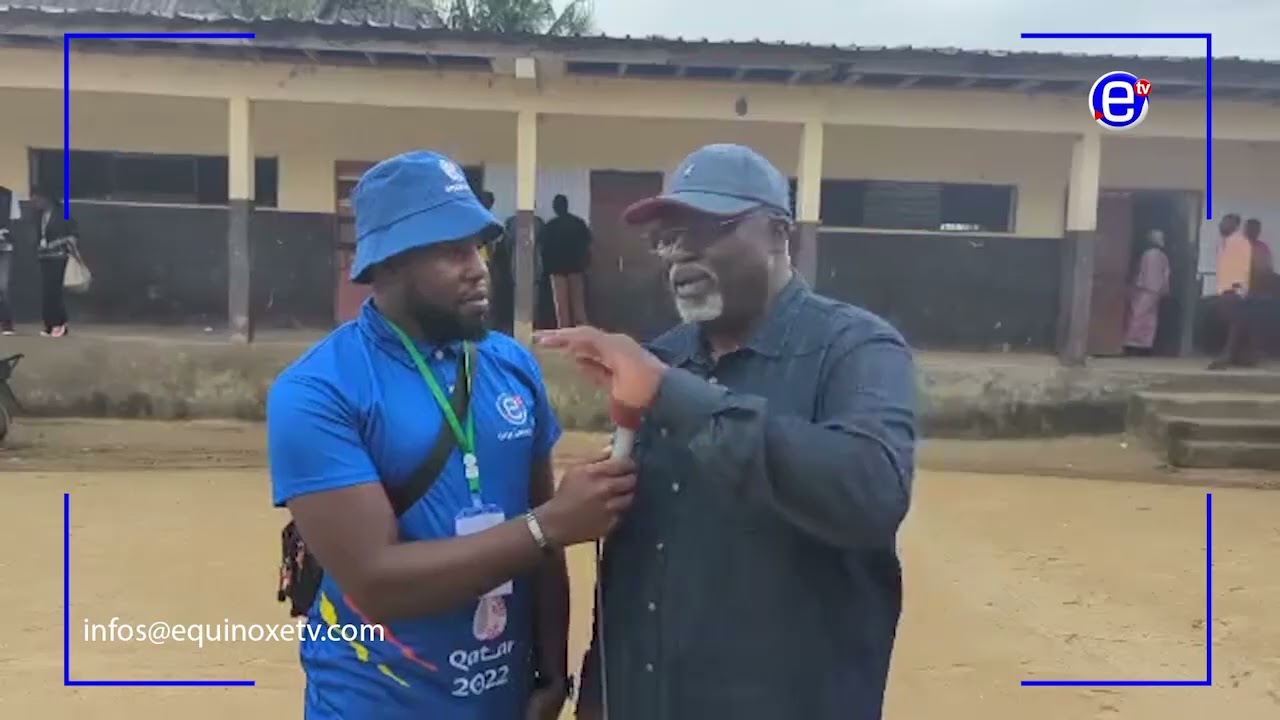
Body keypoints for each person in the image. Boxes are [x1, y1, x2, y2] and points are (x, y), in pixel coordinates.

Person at [537, 143, 917, 720]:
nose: (679, 252)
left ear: (777, 233)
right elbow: (636, 569)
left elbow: (871, 491)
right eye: (667, 237)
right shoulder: (665, 360)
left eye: (708, 228)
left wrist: (673, 397)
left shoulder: (855, 349)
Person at [265, 150, 637, 720]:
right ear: (386, 267)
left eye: (478, 246)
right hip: (373, 704)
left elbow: (542, 541)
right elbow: (376, 582)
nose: (478, 266)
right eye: (450, 250)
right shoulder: (318, 391)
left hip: (501, 701)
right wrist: (553, 523)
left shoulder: (510, 365)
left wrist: (551, 668)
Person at [1210, 213, 1258, 368]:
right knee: (1236, 323)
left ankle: (1227, 356)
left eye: (1226, 222)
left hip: (1234, 288)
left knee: (1234, 323)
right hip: (1224, 288)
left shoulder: (1240, 242)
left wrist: (1238, 287)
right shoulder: (1225, 243)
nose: (1222, 225)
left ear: (1235, 225)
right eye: (1222, 222)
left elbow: (1243, 266)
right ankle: (1247, 356)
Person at [29, 185, 78, 337]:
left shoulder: (63, 213)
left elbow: (73, 236)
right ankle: (50, 324)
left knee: (54, 291)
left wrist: (55, 243)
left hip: (59, 256)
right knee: (46, 292)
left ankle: (59, 323)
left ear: (46, 198)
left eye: (37, 199)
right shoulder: (38, 216)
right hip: (44, 257)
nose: (35, 203)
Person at [537, 194, 592, 327]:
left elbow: (543, 248)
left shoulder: (550, 226)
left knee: (562, 309)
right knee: (579, 307)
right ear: (567, 205)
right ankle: (582, 332)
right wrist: (586, 264)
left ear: (555, 208)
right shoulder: (579, 223)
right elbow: (588, 244)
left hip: (557, 270)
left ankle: (565, 336)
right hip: (576, 268)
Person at [1122, 228, 1171, 356]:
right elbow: (1166, 275)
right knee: (1150, 318)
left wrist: (1135, 285)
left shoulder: (1148, 254)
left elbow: (1141, 273)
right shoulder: (1163, 256)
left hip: (1145, 290)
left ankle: (1131, 344)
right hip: (1156, 291)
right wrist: (1164, 289)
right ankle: (1145, 345)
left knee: (1137, 315)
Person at [478, 190, 516, 335]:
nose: (489, 204)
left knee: (488, 294)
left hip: (487, 261)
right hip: (485, 261)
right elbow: (489, 245)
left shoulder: (487, 219)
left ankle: (486, 325)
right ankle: (485, 325)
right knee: (487, 293)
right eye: (488, 201)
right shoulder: (484, 220)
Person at [0, 184, 20, 335]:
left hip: (4, 248)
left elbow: (14, 222)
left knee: (3, 286)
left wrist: (6, 233)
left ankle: (6, 323)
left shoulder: (8, 195)